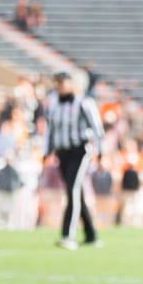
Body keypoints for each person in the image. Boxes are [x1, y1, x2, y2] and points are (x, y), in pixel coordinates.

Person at [43, 72, 104, 250]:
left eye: (62, 83)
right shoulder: (54, 104)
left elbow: (97, 130)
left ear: (71, 84)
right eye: (57, 84)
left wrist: (100, 154)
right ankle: (91, 235)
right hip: (62, 152)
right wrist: (46, 152)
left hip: (80, 151)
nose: (59, 87)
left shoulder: (84, 103)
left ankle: (68, 235)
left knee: (73, 189)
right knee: (76, 193)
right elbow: (49, 130)